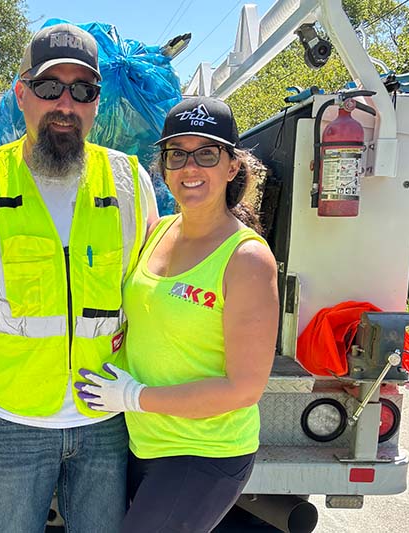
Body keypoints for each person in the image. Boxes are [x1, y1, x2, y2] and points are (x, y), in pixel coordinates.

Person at [0, 23, 159, 533]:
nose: (65, 103)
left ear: (96, 103)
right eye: (49, 87)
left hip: (105, 419)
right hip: (14, 423)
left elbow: (156, 295)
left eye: (82, 91)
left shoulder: (131, 182)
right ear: (21, 95)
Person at [77, 96, 279, 532]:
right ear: (164, 168)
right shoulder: (159, 231)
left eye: (206, 154)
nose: (190, 167)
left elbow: (244, 388)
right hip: (144, 442)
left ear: (232, 166)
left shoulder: (246, 258)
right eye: (177, 154)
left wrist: (135, 397)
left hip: (204, 451)